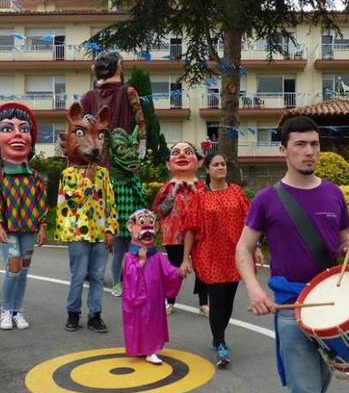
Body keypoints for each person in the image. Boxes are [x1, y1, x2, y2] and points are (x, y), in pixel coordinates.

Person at [236, 116, 349, 393]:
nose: (309, 151)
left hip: (333, 308)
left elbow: (343, 241)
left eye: (314, 144)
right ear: (283, 150)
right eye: (300, 145)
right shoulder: (267, 199)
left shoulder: (334, 194)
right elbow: (243, 248)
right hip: (291, 307)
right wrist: (254, 289)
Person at [180, 153, 263, 368]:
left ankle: (218, 335)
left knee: (228, 303)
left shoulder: (236, 192)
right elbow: (190, 228)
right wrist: (185, 259)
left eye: (223, 164)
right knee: (216, 302)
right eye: (215, 164)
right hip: (209, 256)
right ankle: (221, 342)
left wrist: (257, 248)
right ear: (207, 169)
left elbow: (250, 223)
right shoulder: (199, 197)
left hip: (236, 255)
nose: (220, 167)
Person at [54, 104, 118, 333]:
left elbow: (110, 203)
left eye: (99, 137)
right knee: (78, 276)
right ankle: (73, 313)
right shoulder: (68, 174)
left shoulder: (103, 173)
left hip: (100, 232)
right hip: (77, 232)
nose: (96, 144)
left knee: (98, 276)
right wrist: (88, 180)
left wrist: (111, 229)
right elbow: (69, 203)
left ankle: (95, 314)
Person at [0, 103, 49, 330]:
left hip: (30, 230)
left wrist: (42, 226)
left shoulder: (35, 177)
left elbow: (41, 203)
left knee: (23, 271)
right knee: (12, 270)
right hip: (10, 230)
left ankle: (18, 311)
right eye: (6, 128)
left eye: (24, 129)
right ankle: (5, 311)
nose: (17, 134)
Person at [122, 209, 183, 364]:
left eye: (151, 224)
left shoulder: (156, 256)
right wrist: (141, 262)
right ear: (132, 226)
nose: (146, 230)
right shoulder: (130, 257)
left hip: (154, 298)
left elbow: (168, 271)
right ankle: (144, 349)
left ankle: (151, 349)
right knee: (140, 321)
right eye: (142, 223)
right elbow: (128, 278)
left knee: (152, 321)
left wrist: (179, 272)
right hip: (139, 299)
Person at [152, 141, 205, 315]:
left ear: (199, 162)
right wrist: (173, 193)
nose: (182, 155)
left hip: (199, 236)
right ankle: (170, 301)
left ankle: (204, 302)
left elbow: (209, 209)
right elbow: (159, 211)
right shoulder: (166, 188)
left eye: (188, 152)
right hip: (173, 235)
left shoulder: (203, 188)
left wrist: (196, 192)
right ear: (168, 164)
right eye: (176, 153)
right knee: (174, 270)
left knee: (202, 269)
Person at [80, 50, 147, 161]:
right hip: (115, 152)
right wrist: (143, 143)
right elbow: (141, 121)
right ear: (119, 66)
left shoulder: (87, 97)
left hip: (110, 154)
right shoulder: (128, 92)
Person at [106, 126, 147, 298]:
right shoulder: (111, 181)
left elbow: (142, 201)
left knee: (136, 255)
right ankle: (117, 282)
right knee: (118, 254)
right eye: (123, 148)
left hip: (135, 225)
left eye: (132, 148)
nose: (130, 153)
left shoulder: (134, 179)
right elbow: (107, 204)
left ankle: (134, 281)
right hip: (118, 224)